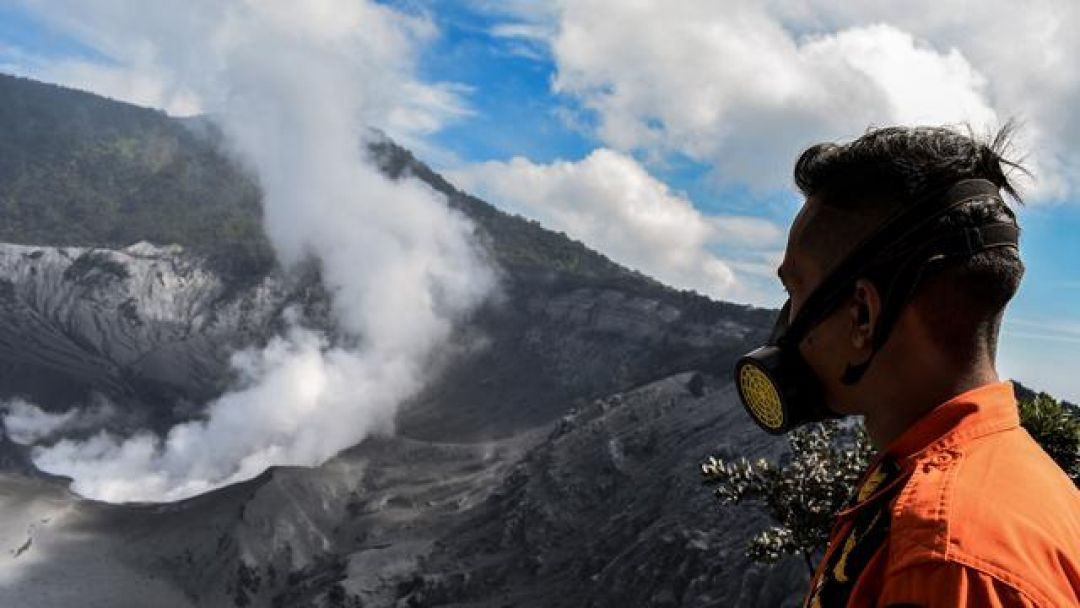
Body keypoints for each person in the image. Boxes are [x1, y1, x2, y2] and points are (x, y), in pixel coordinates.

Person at [733, 125, 1080, 606]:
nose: (788, 321)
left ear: (863, 315)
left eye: (795, 292)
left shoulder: (944, 561)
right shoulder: (1009, 479)